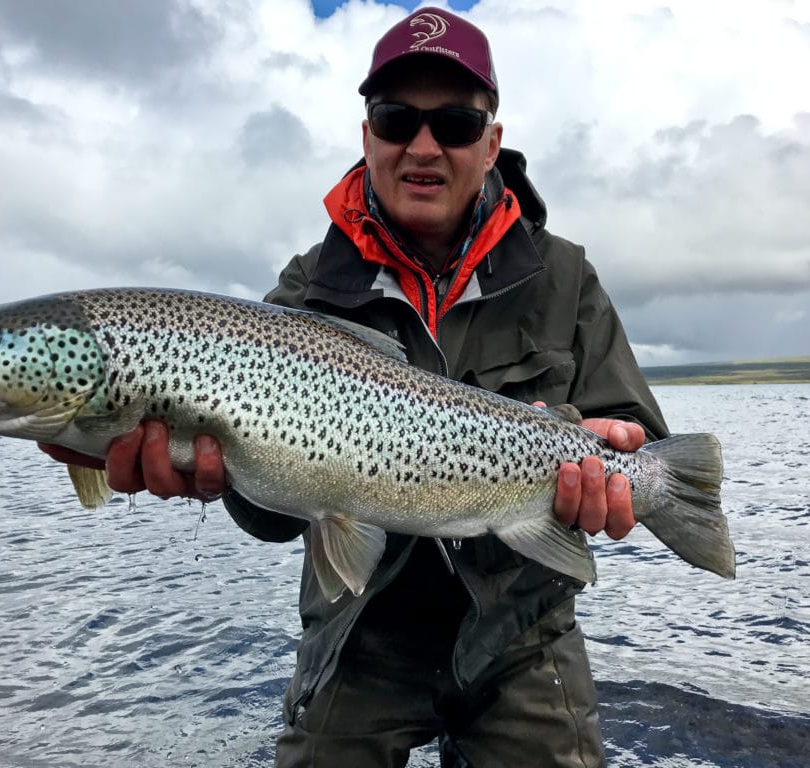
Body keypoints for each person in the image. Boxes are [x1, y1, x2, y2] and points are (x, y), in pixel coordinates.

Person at [41, 7, 668, 766]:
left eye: (457, 124)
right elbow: (272, 520)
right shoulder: (307, 291)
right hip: (359, 632)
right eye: (397, 119)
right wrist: (217, 479)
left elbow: (635, 430)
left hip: (523, 634)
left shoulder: (564, 276)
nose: (424, 146)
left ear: (493, 142)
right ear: (367, 135)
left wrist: (622, 464)